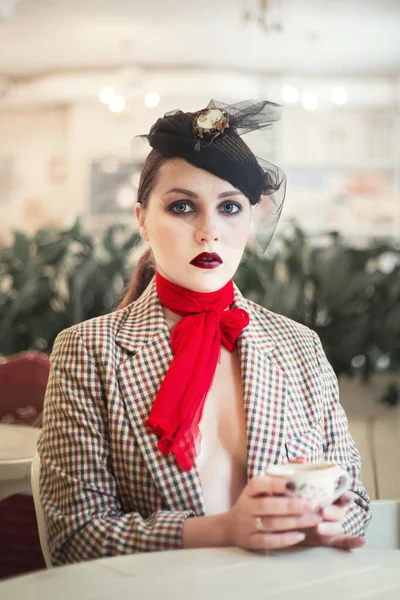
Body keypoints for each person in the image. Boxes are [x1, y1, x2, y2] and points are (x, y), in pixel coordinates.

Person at [38, 99, 370, 566]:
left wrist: (328, 520)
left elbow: (354, 499)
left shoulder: (299, 346)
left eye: (230, 207)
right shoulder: (89, 350)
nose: (209, 231)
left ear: (249, 220)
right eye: (181, 207)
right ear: (142, 219)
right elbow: (74, 536)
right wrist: (224, 530)